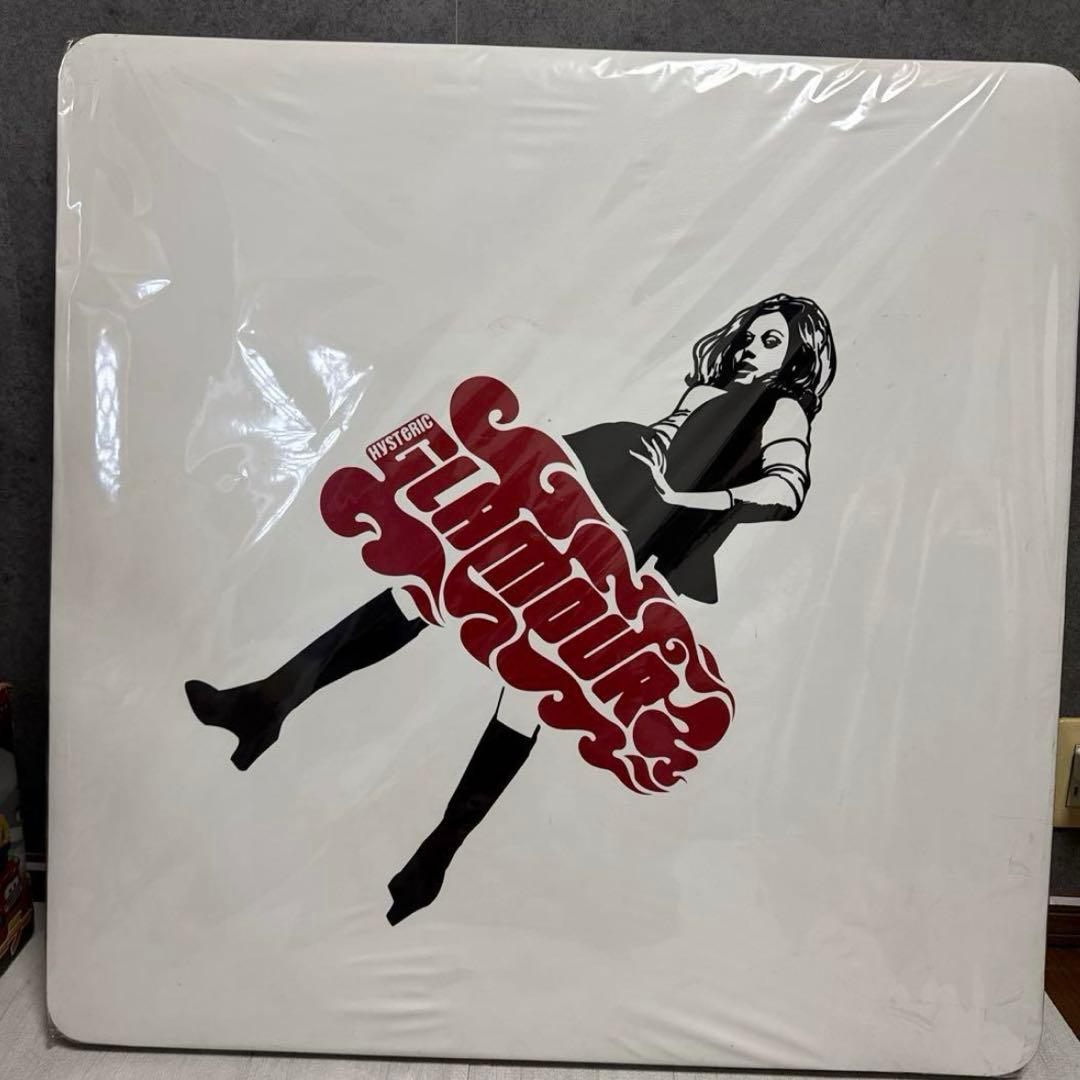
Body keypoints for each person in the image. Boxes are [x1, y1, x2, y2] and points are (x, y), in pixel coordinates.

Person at [185, 293, 836, 924]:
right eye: (752, 333)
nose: (752, 347)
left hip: (628, 541)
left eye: (771, 341)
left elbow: (786, 489)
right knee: (434, 586)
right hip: (591, 494)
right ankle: (268, 702)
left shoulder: (782, 407)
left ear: (797, 356)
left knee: (529, 682)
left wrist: (686, 501)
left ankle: (436, 852)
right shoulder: (716, 390)